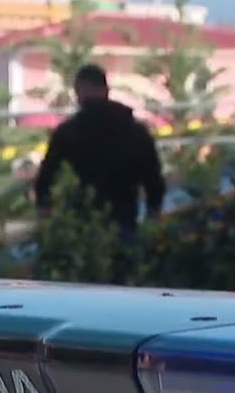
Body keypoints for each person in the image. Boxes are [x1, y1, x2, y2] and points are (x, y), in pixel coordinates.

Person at [33, 64, 166, 284]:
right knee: (124, 282)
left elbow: (45, 180)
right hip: (124, 218)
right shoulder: (135, 131)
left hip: (81, 224)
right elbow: (154, 181)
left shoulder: (69, 132)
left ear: (79, 90)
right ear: (106, 90)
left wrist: (46, 218)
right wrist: (152, 218)